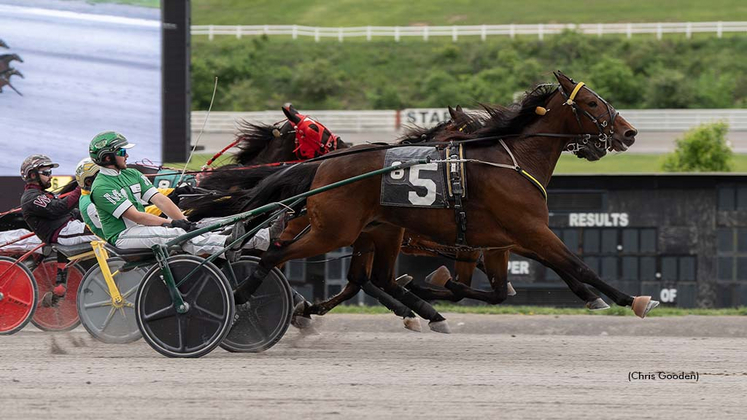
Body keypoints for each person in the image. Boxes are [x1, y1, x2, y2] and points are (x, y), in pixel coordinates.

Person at [87, 131, 245, 259]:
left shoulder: (132, 174)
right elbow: (137, 217)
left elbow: (160, 200)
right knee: (176, 234)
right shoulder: (101, 187)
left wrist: (185, 222)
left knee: (197, 226)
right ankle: (225, 246)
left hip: (142, 228)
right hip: (124, 235)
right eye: (122, 152)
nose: (127, 155)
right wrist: (171, 224)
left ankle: (263, 238)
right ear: (107, 158)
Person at [19, 154, 99, 306]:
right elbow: (59, 209)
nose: (50, 176)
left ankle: (60, 287)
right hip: (64, 233)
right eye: (46, 173)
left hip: (67, 230)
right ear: (32, 175)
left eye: (50, 172)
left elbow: (68, 212)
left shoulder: (42, 195)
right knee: (108, 233)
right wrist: (82, 185)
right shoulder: (31, 197)